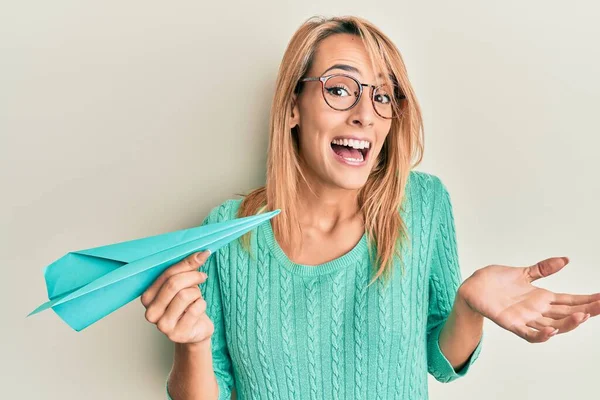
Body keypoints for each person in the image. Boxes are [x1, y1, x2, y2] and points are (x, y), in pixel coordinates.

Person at [140, 15, 599, 400]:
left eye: (381, 94)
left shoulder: (423, 204)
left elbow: (441, 363)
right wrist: (193, 344)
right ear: (293, 106)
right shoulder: (226, 230)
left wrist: (468, 306)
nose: (365, 112)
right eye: (340, 89)